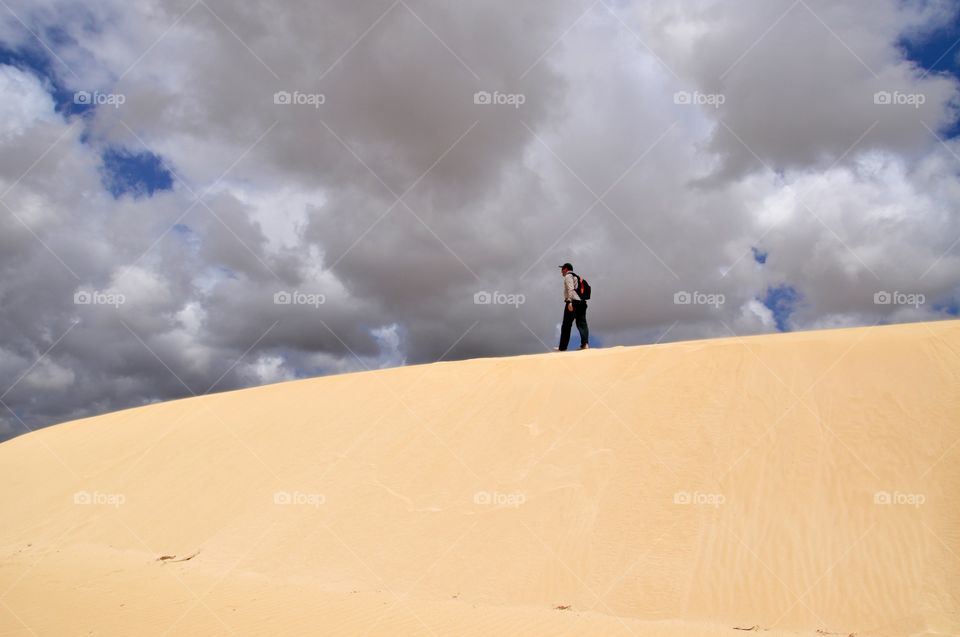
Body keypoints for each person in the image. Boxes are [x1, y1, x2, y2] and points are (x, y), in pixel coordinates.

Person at [557, 263, 589, 351]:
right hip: (582, 303)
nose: (561, 272)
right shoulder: (576, 277)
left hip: (573, 302)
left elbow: (570, 288)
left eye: (562, 269)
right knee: (582, 324)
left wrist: (569, 302)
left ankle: (562, 348)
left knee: (566, 325)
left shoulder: (568, 276)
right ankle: (585, 344)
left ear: (566, 269)